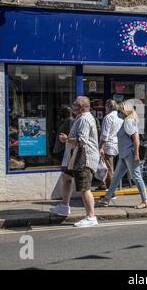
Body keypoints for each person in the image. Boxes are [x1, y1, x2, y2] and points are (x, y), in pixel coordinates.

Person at [49, 96, 100, 227]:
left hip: (84, 158)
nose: (73, 105)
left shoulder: (84, 119)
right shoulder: (81, 117)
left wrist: (66, 139)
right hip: (75, 157)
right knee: (66, 177)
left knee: (84, 188)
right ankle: (64, 206)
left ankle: (91, 217)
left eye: (75, 104)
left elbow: (82, 140)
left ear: (82, 107)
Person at [98, 101, 147, 209]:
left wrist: (136, 154)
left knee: (136, 177)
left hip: (130, 154)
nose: (118, 112)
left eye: (120, 110)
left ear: (125, 111)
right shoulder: (125, 121)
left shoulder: (128, 121)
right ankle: (107, 199)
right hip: (124, 154)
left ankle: (145, 200)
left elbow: (136, 140)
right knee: (116, 177)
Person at [99, 99, 124, 190]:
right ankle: (104, 185)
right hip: (117, 145)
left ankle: (110, 190)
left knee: (108, 168)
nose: (105, 108)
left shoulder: (108, 117)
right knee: (111, 168)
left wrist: (101, 147)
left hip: (109, 145)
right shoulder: (120, 118)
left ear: (108, 107)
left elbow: (105, 135)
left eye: (105, 106)